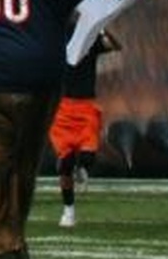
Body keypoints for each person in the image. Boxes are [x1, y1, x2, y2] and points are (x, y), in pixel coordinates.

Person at [50, 29, 119, 229]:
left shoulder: (90, 39)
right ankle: (68, 210)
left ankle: (81, 169)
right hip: (62, 106)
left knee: (88, 157)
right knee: (65, 162)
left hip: (86, 105)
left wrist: (106, 28)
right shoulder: (56, 37)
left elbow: (115, 45)